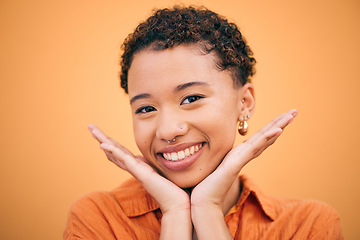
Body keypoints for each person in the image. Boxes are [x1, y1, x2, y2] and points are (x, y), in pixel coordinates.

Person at [64, 6, 343, 239]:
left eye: (191, 98)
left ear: (243, 103)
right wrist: (175, 213)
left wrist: (207, 209)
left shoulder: (307, 226)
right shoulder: (99, 220)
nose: (168, 130)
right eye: (146, 108)